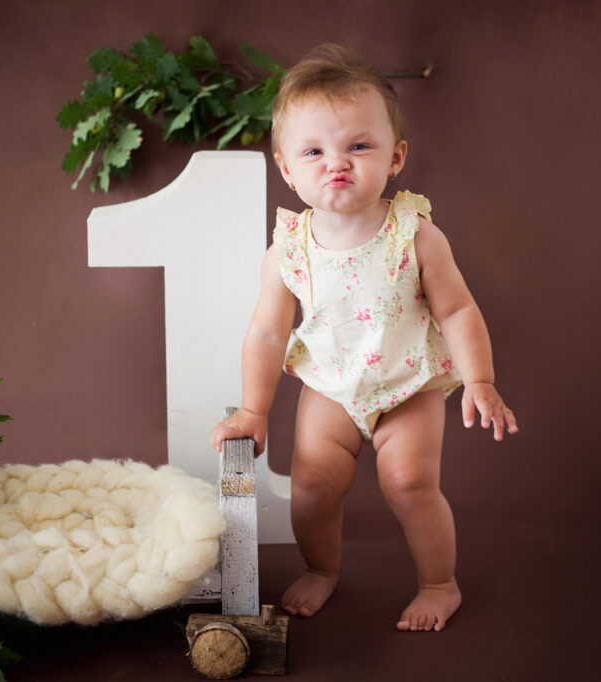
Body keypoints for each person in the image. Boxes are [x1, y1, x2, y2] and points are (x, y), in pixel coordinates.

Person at [210, 44, 517, 633]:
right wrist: (254, 409)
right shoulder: (288, 250)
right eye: (314, 151)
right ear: (286, 169)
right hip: (330, 389)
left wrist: (480, 379)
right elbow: (268, 332)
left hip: (409, 385)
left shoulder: (414, 235)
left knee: (409, 484)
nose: (337, 163)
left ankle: (439, 584)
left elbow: (458, 309)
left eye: (358, 146)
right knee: (312, 487)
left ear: (395, 156)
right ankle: (321, 569)